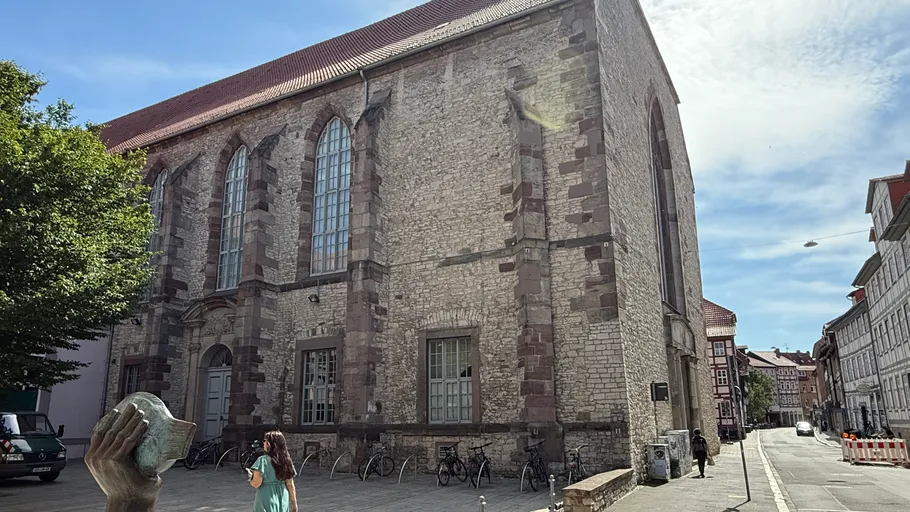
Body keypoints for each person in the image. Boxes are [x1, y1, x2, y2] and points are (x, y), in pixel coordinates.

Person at [246, 431, 298, 512]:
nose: (263, 443)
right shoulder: (287, 461)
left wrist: (251, 476)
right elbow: (290, 484)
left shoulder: (262, 461)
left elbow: (256, 484)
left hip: (266, 495)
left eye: (265, 441)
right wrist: (294, 503)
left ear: (269, 444)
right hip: (283, 495)